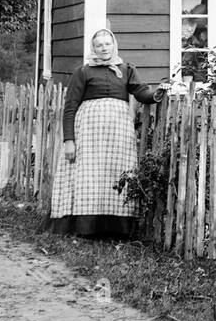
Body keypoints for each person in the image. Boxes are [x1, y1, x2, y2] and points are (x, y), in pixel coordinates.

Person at [48, 28, 166, 239]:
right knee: (89, 176)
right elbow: (70, 107)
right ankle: (86, 226)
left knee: (117, 173)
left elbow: (140, 91)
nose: (103, 48)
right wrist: (69, 140)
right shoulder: (83, 72)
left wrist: (155, 95)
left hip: (117, 133)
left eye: (107, 44)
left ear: (114, 45)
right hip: (89, 133)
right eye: (99, 45)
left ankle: (115, 228)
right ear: (93, 48)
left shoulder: (126, 68)